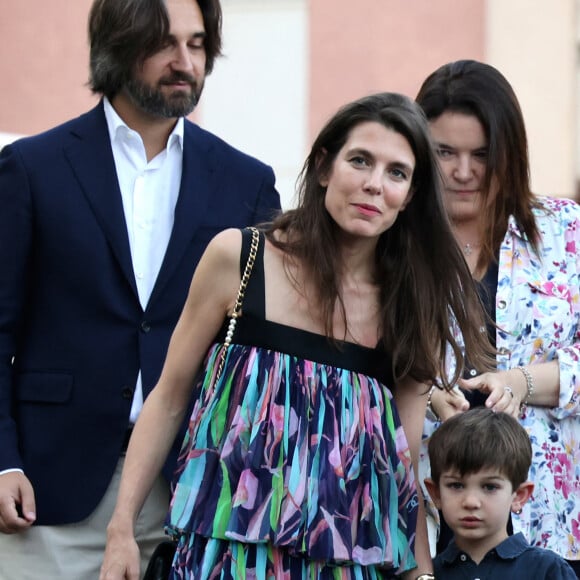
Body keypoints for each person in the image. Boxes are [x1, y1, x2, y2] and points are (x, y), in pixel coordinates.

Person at [99, 91, 493, 580]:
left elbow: (402, 467)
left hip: (344, 563)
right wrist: (121, 530)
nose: (374, 185)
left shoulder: (411, 308)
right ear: (325, 167)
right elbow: (169, 400)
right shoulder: (239, 259)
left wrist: (422, 575)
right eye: (360, 161)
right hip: (224, 559)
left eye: (397, 173)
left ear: (410, 196)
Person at [0, 0, 280, 577]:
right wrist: (1, 462)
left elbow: (266, 348)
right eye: (164, 43)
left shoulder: (246, 182)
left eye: (197, 44)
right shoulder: (31, 168)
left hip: (196, 492)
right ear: (117, 47)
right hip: (48, 493)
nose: (185, 62)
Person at [416, 59, 580, 575]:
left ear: (509, 154)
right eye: (445, 153)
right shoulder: (391, 243)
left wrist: (521, 382)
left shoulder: (566, 231)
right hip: (426, 519)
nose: (463, 172)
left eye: (482, 155)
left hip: (553, 521)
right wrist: (426, 395)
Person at [424, 408, 577, 579]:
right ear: (436, 493)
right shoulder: (428, 573)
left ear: (519, 495)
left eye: (489, 487)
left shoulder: (546, 570)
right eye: (456, 485)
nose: (471, 502)